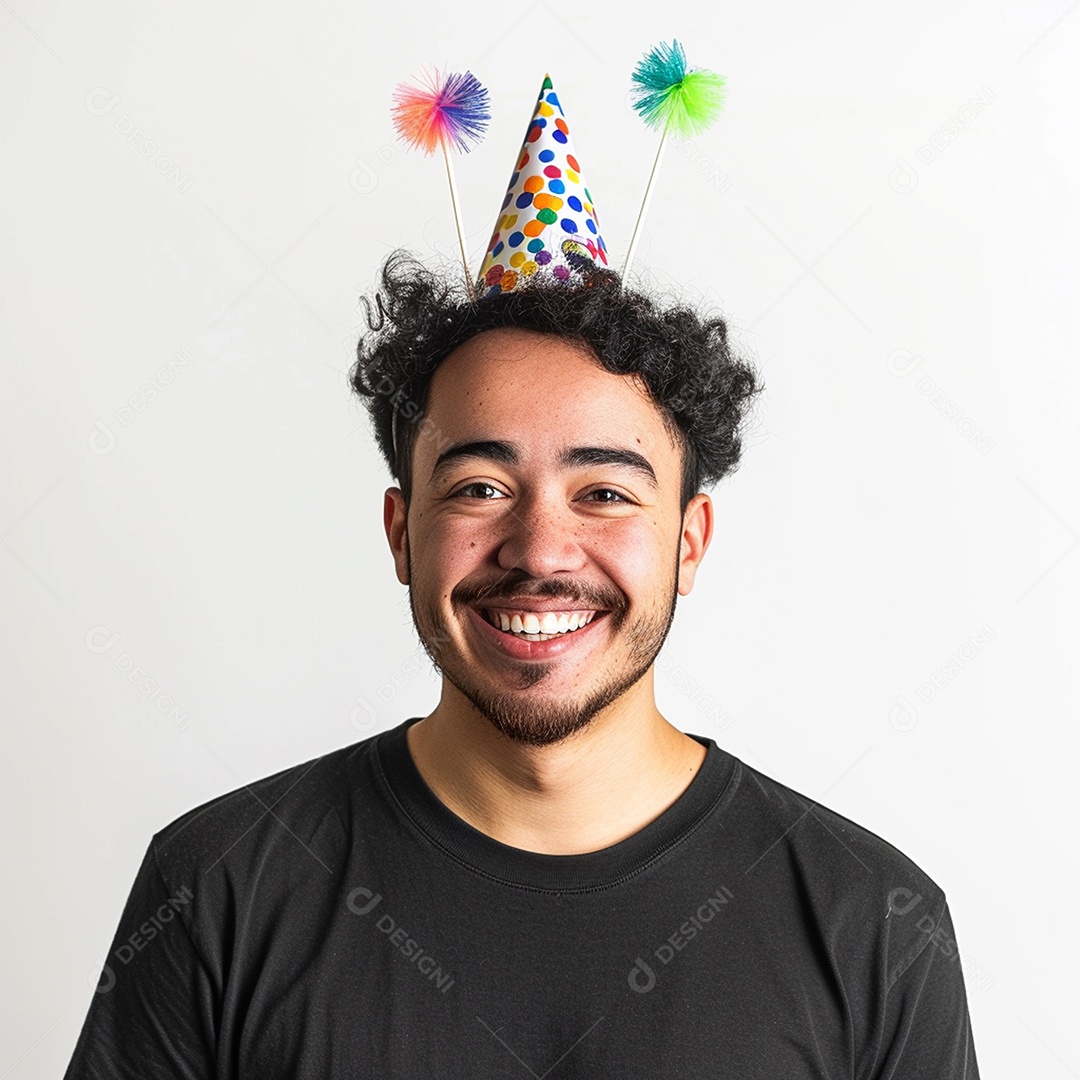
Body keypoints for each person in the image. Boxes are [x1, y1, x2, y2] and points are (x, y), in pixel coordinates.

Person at [63, 73, 981, 1080]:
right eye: (481, 486)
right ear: (401, 531)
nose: (540, 552)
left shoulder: (873, 926)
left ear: (689, 540)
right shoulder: (217, 890)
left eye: (605, 493)